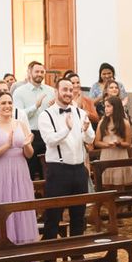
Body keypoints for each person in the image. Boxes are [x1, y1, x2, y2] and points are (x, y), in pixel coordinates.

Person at [35, 78, 93, 239]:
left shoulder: (80, 113)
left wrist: (86, 130)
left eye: (70, 90)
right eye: (64, 89)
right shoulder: (46, 115)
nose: (68, 93)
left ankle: (77, 250)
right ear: (56, 92)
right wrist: (67, 129)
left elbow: (90, 139)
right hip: (58, 170)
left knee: (79, 215)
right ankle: (50, 251)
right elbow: (50, 141)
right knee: (53, 215)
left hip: (79, 170)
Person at [0, 94, 38, 247]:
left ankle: (23, 248)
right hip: (0, 172)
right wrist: (7, 145)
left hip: (20, 170)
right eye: (3, 103)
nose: (7, 106)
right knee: (2, 207)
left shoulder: (21, 124)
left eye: (10, 103)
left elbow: (29, 154)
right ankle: (2, 248)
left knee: (21, 207)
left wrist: (26, 145)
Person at [93, 82, 132, 187]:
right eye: (105, 106)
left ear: (116, 107)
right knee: (107, 184)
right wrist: (107, 144)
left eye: (108, 106)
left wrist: (119, 143)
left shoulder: (124, 123)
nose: (106, 109)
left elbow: (128, 143)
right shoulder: (102, 122)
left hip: (120, 155)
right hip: (106, 155)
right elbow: (97, 142)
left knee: (120, 184)